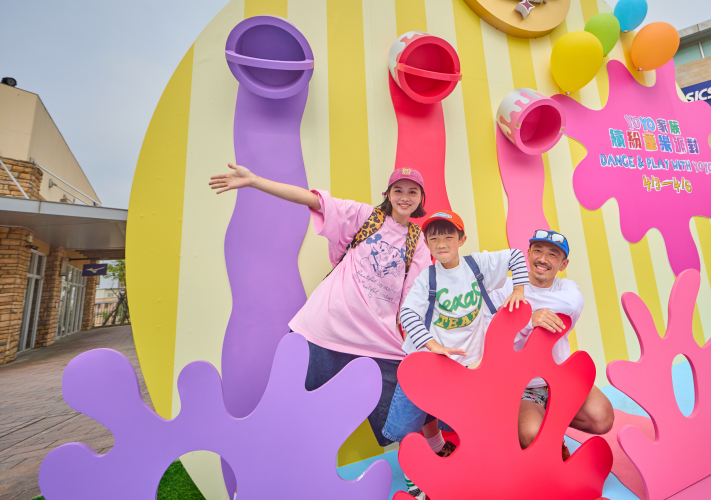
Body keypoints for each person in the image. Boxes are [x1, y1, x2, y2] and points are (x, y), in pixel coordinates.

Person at [209, 163, 432, 447]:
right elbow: (311, 199)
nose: (404, 197)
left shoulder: (418, 242)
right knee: (295, 412)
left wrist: (423, 344)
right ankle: (271, 464)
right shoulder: (365, 216)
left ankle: (433, 454)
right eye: (398, 190)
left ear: (421, 199)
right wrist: (255, 181)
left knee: (400, 420)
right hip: (325, 329)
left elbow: (412, 302)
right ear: (388, 194)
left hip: (378, 340)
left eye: (412, 192)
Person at [383, 210, 528, 499]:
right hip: (425, 363)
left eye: (448, 236)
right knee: (407, 422)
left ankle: (447, 453)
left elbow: (515, 256)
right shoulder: (428, 278)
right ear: (427, 243)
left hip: (463, 364)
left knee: (464, 417)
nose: (441, 243)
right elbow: (407, 313)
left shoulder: (477, 265)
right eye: (434, 238)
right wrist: (431, 344)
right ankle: (414, 474)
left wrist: (519, 290)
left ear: (461, 239)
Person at [492, 229, 615, 460]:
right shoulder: (504, 287)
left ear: (563, 264)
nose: (542, 259)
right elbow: (494, 335)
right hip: (523, 388)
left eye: (552, 254)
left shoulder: (566, 288)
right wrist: (530, 319)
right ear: (528, 254)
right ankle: (546, 436)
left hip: (561, 377)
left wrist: (514, 315)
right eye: (537, 250)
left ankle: (553, 429)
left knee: (602, 419)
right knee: (531, 436)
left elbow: (572, 305)